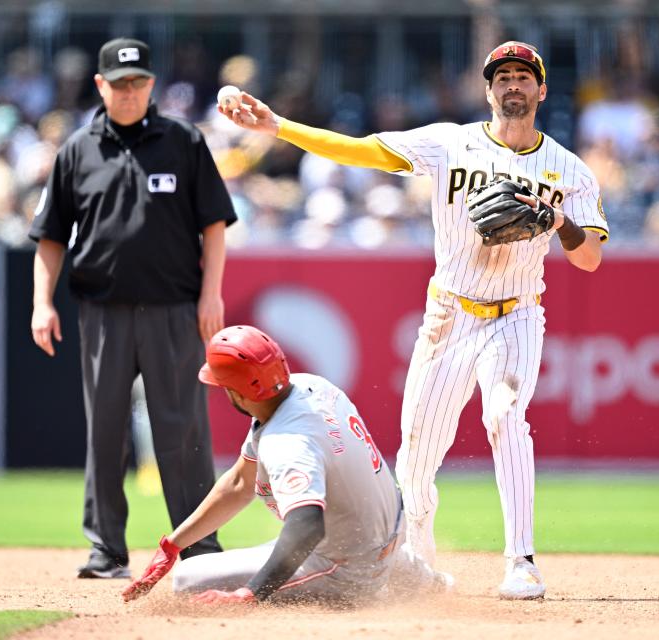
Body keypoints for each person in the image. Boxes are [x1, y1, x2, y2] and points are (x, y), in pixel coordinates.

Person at [218, 41, 608, 599]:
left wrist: (559, 221)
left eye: (524, 76)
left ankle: (521, 560)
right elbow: (361, 152)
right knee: (418, 458)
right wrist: (280, 126)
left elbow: (589, 256)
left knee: (505, 414)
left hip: (518, 313)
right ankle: (417, 562)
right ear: (488, 88)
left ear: (542, 90)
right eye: (503, 77)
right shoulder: (451, 143)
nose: (513, 85)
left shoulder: (568, 170)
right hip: (449, 313)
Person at [29, 37, 237, 578]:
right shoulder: (77, 149)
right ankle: (106, 550)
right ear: (100, 85)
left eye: (139, 81)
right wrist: (41, 303)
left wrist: (211, 293)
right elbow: (50, 236)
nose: (129, 91)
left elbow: (213, 223)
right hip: (103, 311)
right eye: (119, 83)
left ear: (152, 85)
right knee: (105, 428)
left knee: (184, 429)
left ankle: (198, 547)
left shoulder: (183, 140)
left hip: (175, 309)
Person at [122, 325, 451, 605]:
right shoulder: (313, 387)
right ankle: (418, 580)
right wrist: (174, 543)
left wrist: (251, 594)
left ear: (239, 393)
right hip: (389, 534)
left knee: (187, 579)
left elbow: (308, 526)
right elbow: (239, 484)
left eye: (224, 386)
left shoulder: (287, 440)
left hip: (348, 567)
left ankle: (372, 589)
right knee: (289, 543)